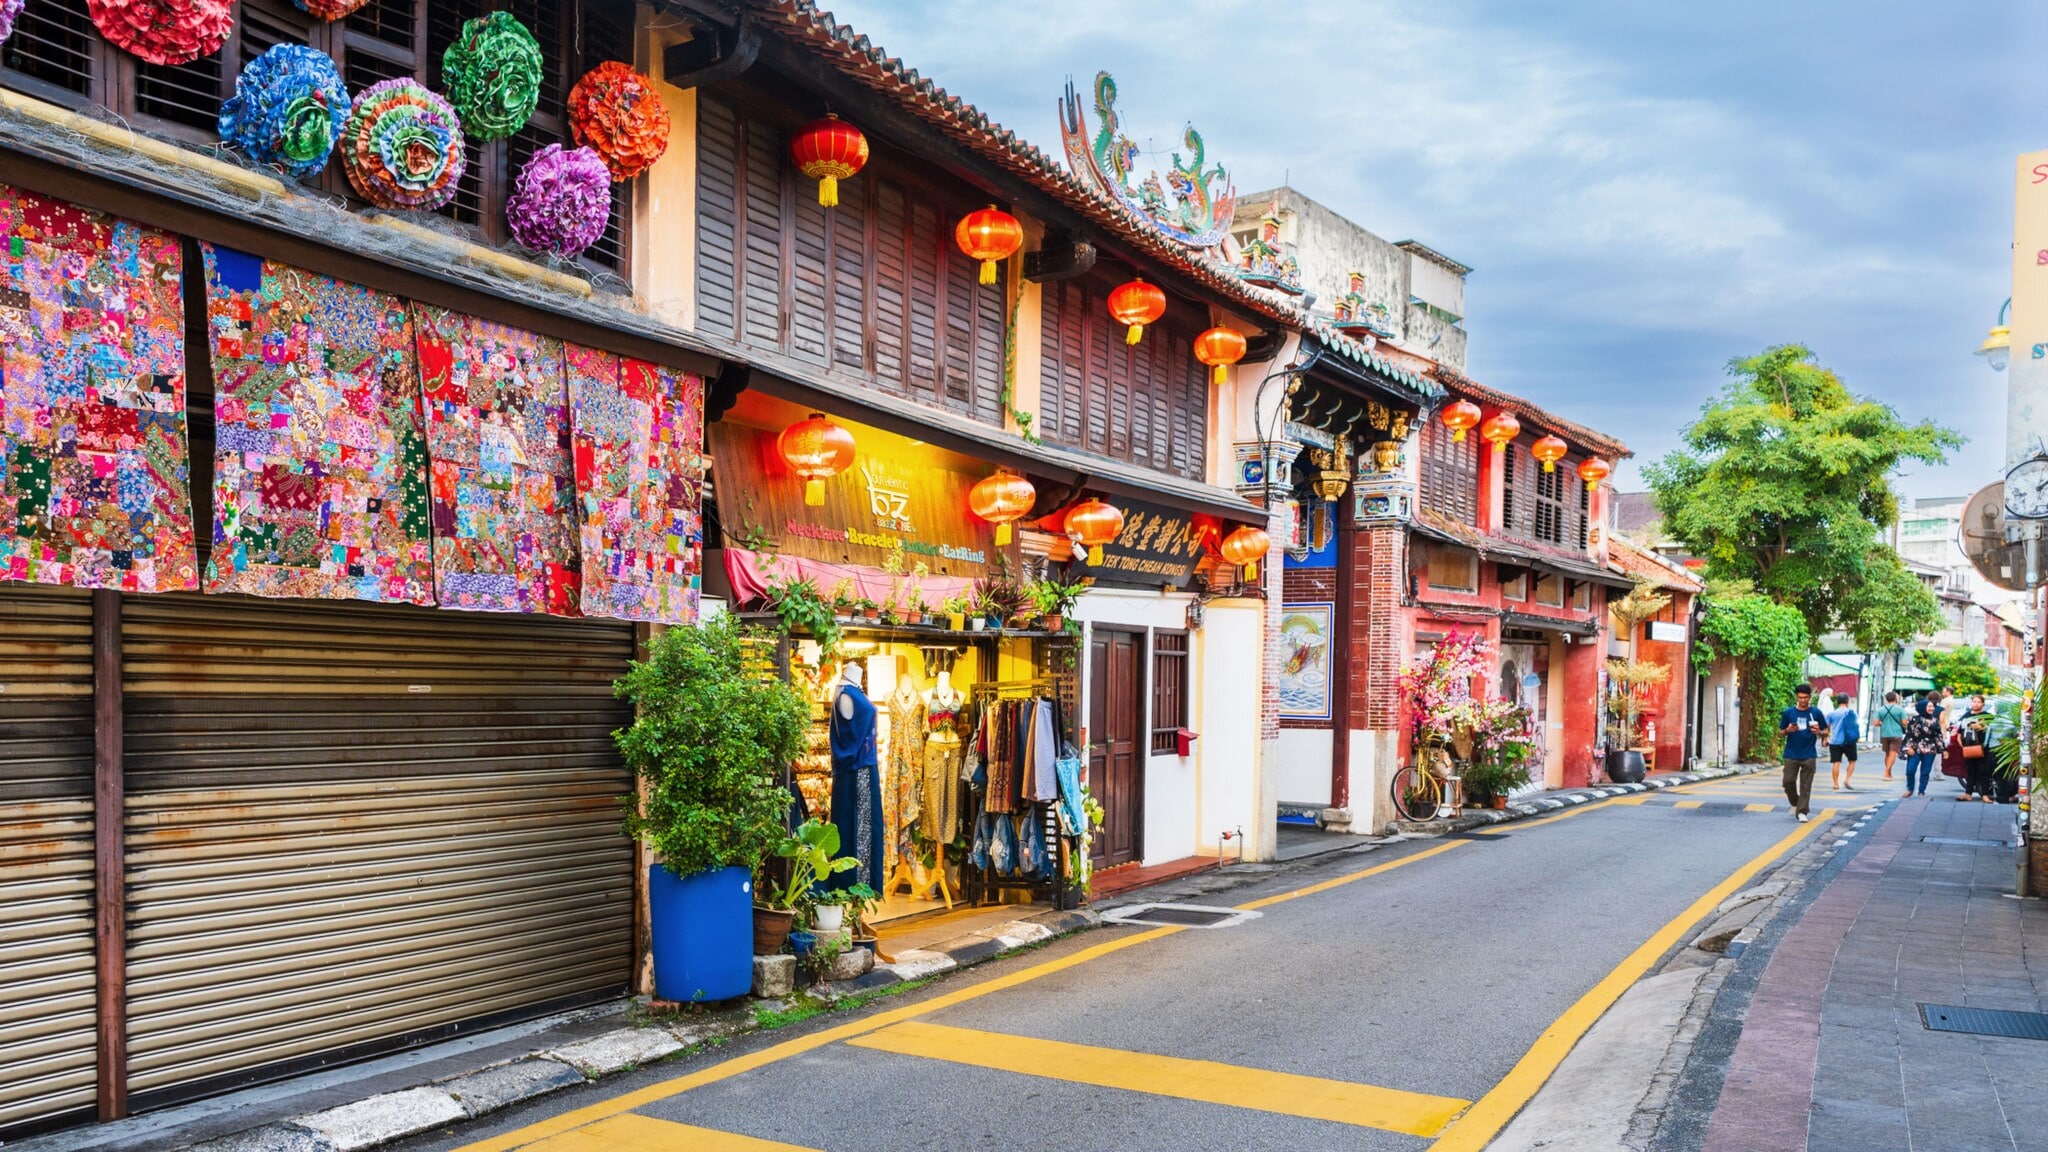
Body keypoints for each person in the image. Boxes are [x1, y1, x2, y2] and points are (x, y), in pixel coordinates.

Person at [1779, 683, 1828, 822]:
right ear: (1796, 697)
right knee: (1787, 781)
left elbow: (1825, 731)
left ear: (1810, 697)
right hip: (1791, 753)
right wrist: (1788, 730)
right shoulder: (1788, 712)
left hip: (1809, 754)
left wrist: (1819, 732)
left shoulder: (1816, 713)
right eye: (1800, 698)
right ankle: (1795, 803)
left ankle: (1802, 811)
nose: (1803, 700)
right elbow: (1780, 733)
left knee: (1806, 785)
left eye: (1805, 698)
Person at [1953, 693, 1996, 805]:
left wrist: (1981, 726)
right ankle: (1968, 794)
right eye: (1974, 701)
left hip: (1983, 748)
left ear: (1983, 704)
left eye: (1978, 702)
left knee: (1984, 772)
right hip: (1968, 748)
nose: (1976, 704)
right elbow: (1958, 731)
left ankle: (1985, 795)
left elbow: (1992, 730)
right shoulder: (1965, 716)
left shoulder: (1987, 716)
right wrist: (1960, 742)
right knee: (1970, 771)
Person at [1901, 697, 1942, 798]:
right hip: (1915, 749)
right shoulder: (1914, 720)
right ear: (1923, 707)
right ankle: (1910, 788)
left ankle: (1921, 791)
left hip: (1930, 749)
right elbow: (1909, 735)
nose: (1931, 708)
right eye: (1929, 706)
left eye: (1932, 706)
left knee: (1925, 771)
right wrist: (1908, 748)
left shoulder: (1935, 721)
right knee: (1910, 770)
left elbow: (1938, 736)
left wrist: (1942, 750)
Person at [1873, 690, 1908, 781]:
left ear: (1886, 699)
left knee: (1887, 754)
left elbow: (1876, 723)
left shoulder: (1881, 709)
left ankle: (1889, 773)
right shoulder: (1900, 709)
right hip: (1896, 733)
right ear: (1895, 698)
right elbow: (1904, 723)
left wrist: (1882, 723)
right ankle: (1886, 772)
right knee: (1893, 753)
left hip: (1885, 733)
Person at [1827, 696, 1860, 791]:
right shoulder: (1852, 712)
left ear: (1837, 702)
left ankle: (1835, 784)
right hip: (1849, 741)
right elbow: (1855, 725)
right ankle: (1847, 779)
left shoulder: (1832, 714)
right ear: (1847, 701)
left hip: (1835, 741)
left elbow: (1827, 727)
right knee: (1852, 761)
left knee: (1836, 763)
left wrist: (1825, 739)